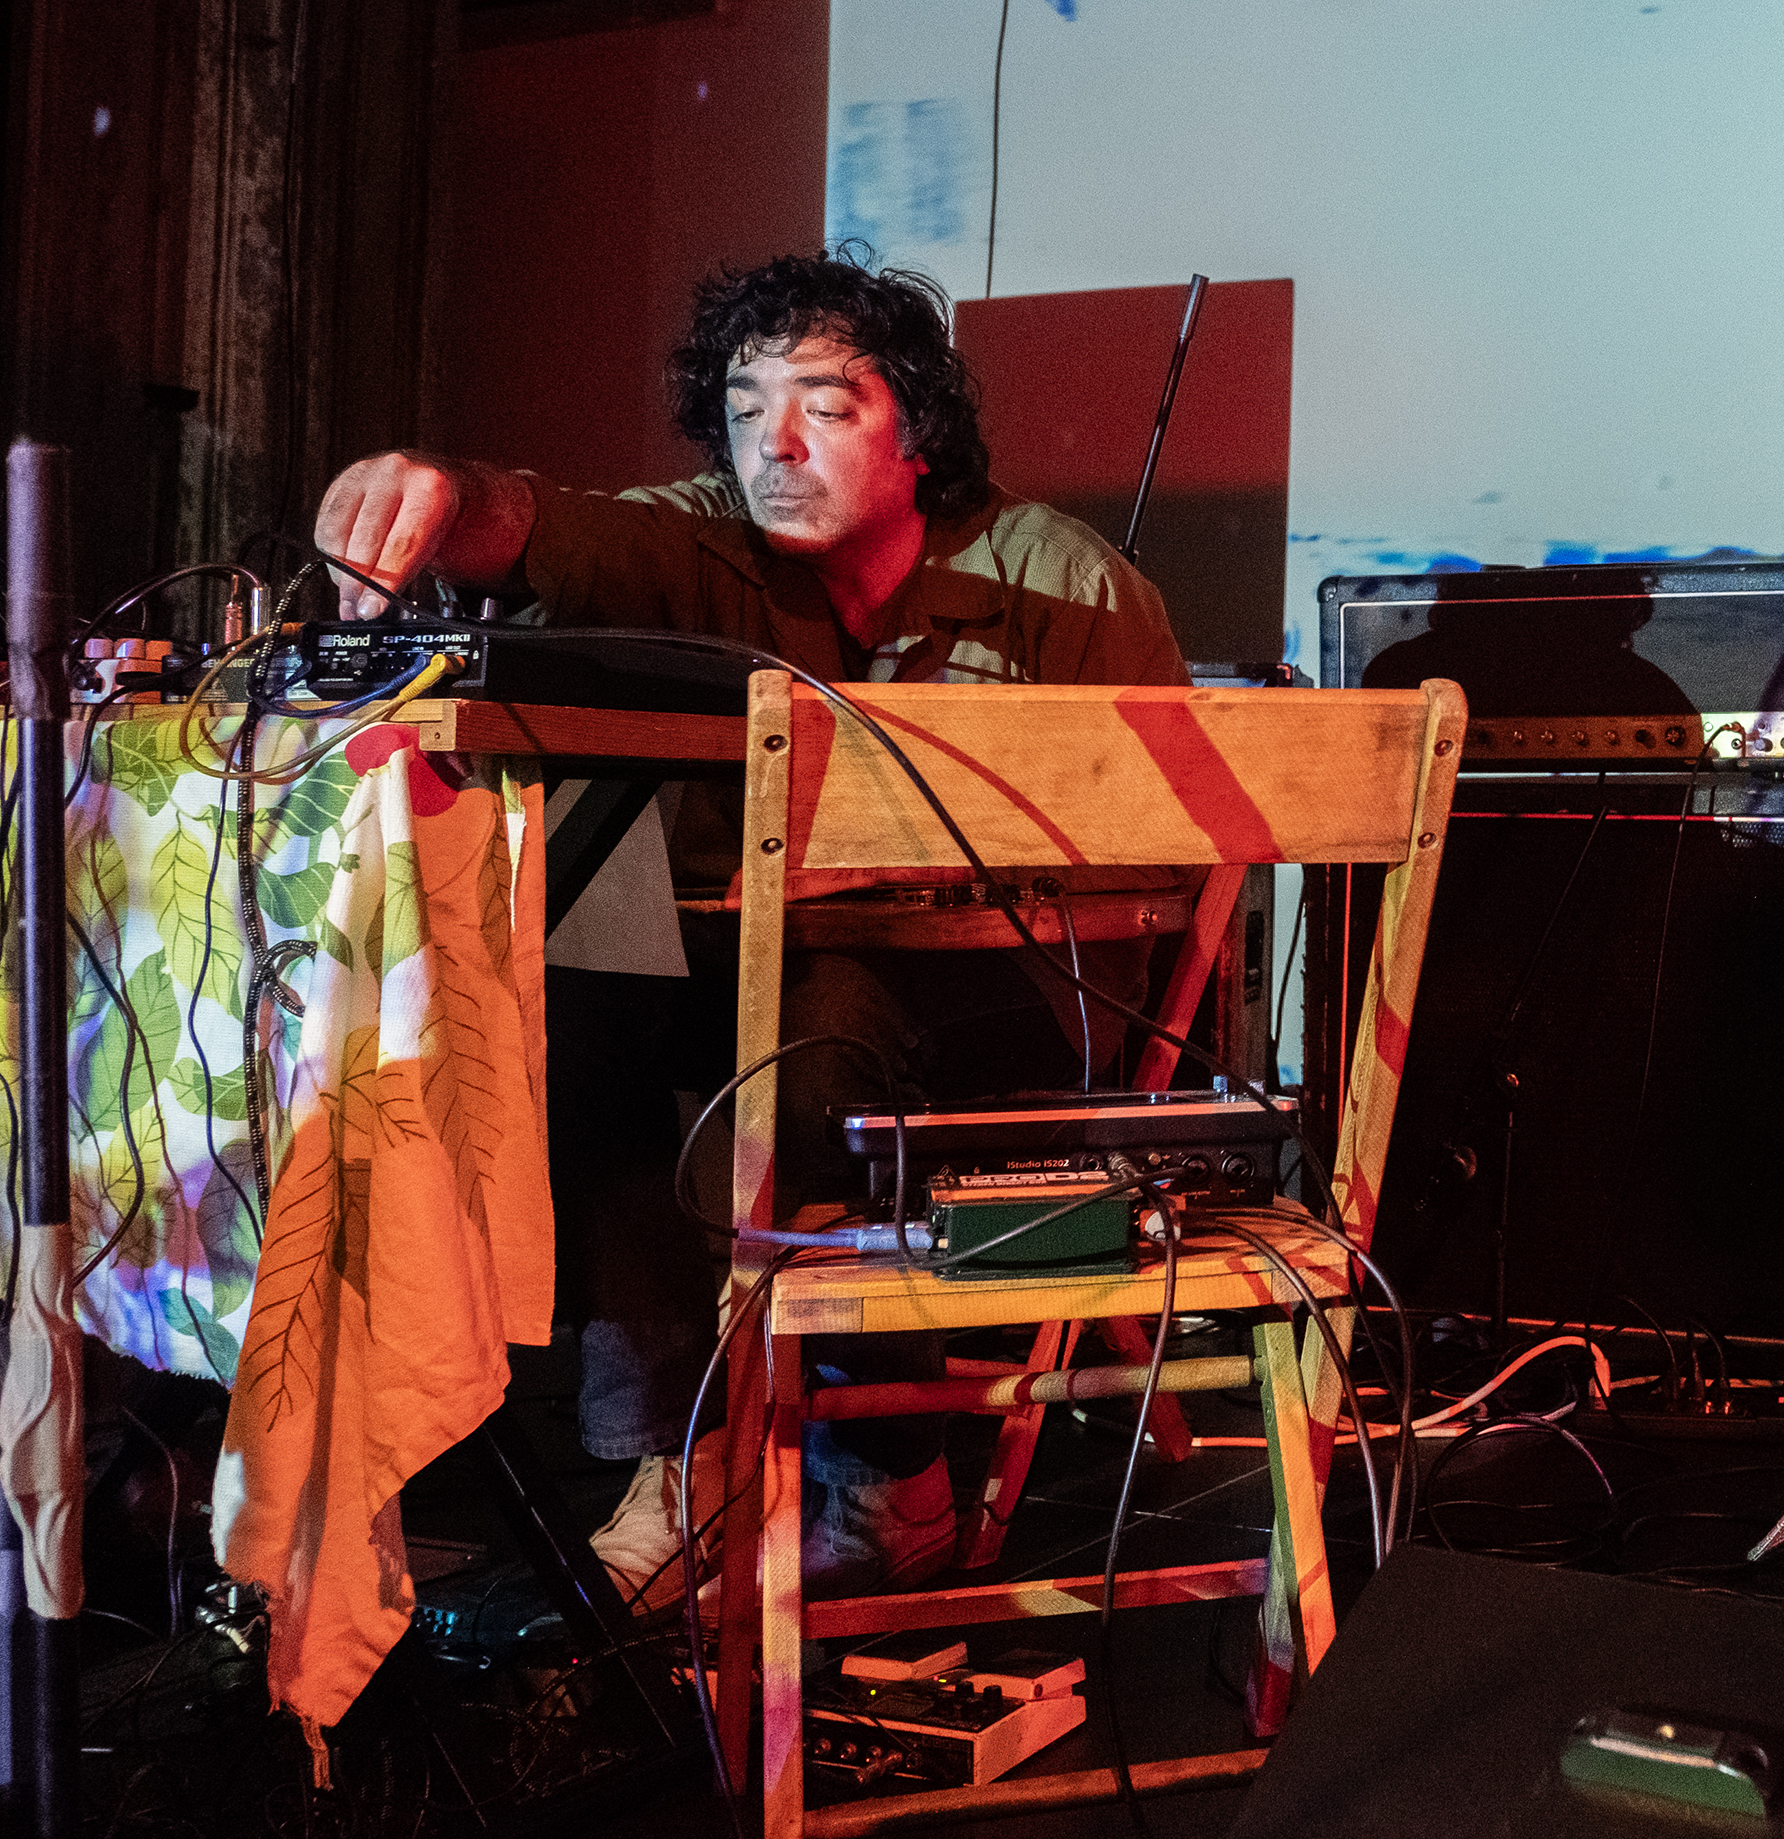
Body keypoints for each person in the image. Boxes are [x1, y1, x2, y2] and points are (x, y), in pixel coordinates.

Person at [315, 250, 1191, 1614]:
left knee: (814, 1014)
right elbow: (553, 527)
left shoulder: (1067, 586)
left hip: (1015, 1016)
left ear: (919, 429)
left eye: (826, 406)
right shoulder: (707, 538)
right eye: (744, 405)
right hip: (769, 988)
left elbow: (1158, 876)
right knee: (579, 989)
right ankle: (686, 1450)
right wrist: (436, 493)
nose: (774, 444)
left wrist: (924, 885)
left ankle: (882, 1468)